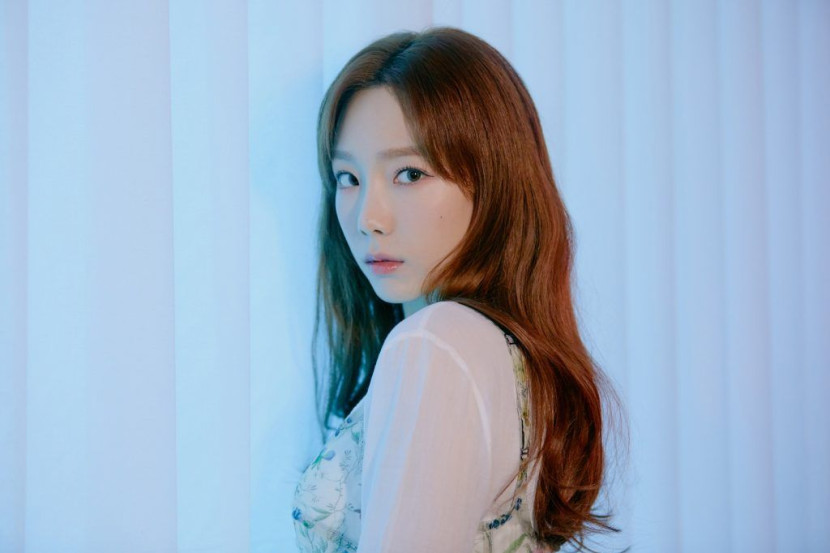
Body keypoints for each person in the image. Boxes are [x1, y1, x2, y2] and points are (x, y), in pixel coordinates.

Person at [292, 27, 621, 553]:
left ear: (492, 180)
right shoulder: (504, 352)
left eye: (409, 173)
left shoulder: (433, 344)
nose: (368, 217)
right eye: (348, 178)